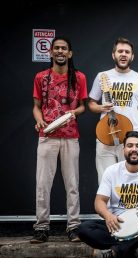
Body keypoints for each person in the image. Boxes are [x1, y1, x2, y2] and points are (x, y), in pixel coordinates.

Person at [31, 36, 87, 244]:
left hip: (71, 137)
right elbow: (36, 106)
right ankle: (41, 227)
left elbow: (83, 105)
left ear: (70, 53)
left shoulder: (79, 77)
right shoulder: (41, 77)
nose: (60, 51)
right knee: (42, 184)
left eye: (64, 48)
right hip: (46, 137)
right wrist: (39, 121)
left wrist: (74, 112)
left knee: (72, 184)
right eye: (57, 48)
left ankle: (73, 227)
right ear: (51, 52)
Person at [78, 131, 138, 258]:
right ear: (123, 149)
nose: (134, 149)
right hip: (116, 225)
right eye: (130, 145)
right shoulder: (111, 171)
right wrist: (108, 216)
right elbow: (99, 201)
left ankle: (115, 252)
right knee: (83, 229)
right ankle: (133, 250)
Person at [89, 37, 138, 184]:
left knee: (129, 181)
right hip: (105, 136)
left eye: (127, 52)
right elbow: (91, 104)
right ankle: (105, 208)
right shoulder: (102, 76)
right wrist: (100, 107)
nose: (123, 54)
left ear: (132, 56)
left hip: (130, 138)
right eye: (120, 51)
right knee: (105, 179)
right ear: (113, 55)